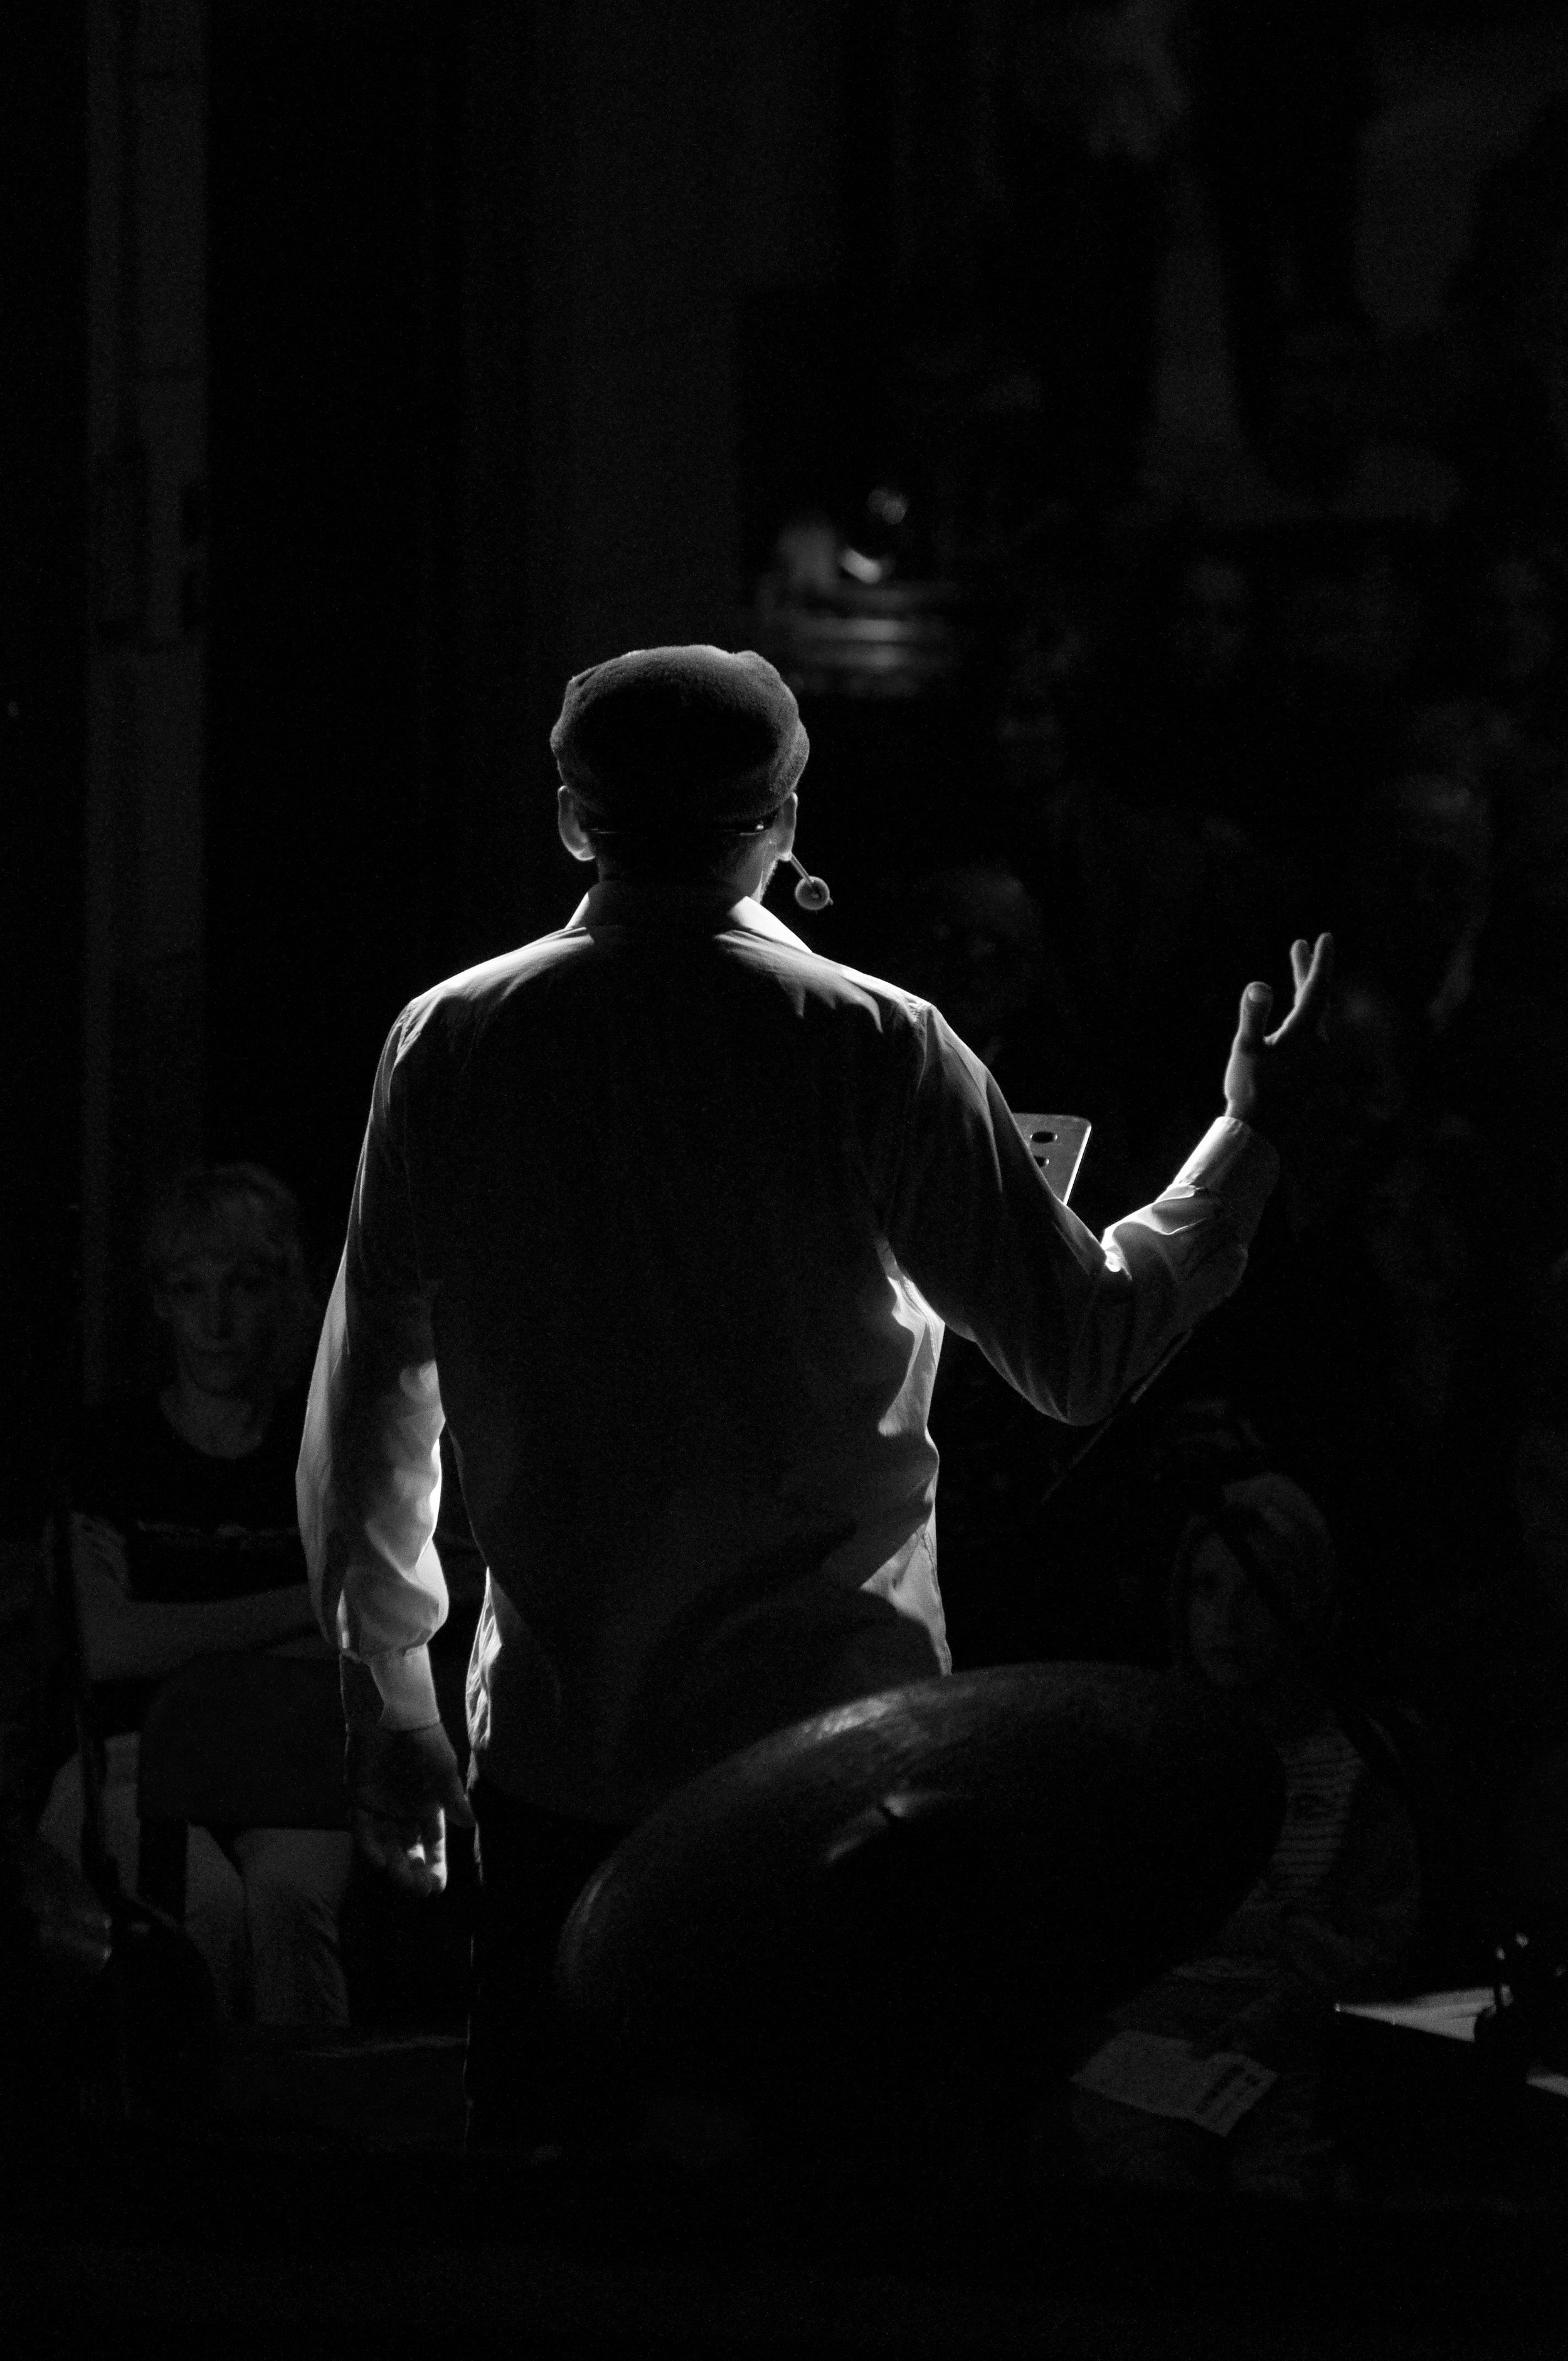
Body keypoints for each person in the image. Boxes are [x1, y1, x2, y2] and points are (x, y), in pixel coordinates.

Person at [296, 642, 1333, 2152]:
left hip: (556, 1758)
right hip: (838, 1775)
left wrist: (385, 1683)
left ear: (575, 821)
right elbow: (1083, 1350)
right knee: (836, 2218)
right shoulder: (877, 1046)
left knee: (553, 2225)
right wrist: (1244, 1141)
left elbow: (378, 1383)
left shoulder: (449, 1038)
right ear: (784, 817)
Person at [38, 1164, 353, 2027]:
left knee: (289, 1903)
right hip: (127, 1753)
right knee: (196, 1910)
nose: (215, 1322)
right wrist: (307, 1600)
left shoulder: (322, 1455)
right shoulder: (112, 1448)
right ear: (161, 1302)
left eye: (244, 1286)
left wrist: (183, 1636)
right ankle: (188, 2140)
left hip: (291, 1748)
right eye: (190, 1289)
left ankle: (310, 2136)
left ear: (285, 1290)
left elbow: (364, 1635)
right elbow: (107, 1647)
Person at [1068, 1473, 1421, 2200]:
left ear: (1308, 1603)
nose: (1227, 1618)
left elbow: (1379, 1941)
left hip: (1295, 2031)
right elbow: (1109, 1921)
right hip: (1155, 2031)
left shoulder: (1353, 1761)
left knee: (1282, 2189)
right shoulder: (1146, 1746)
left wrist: (1290, 1996)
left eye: (1259, 1591)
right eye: (1206, 1586)